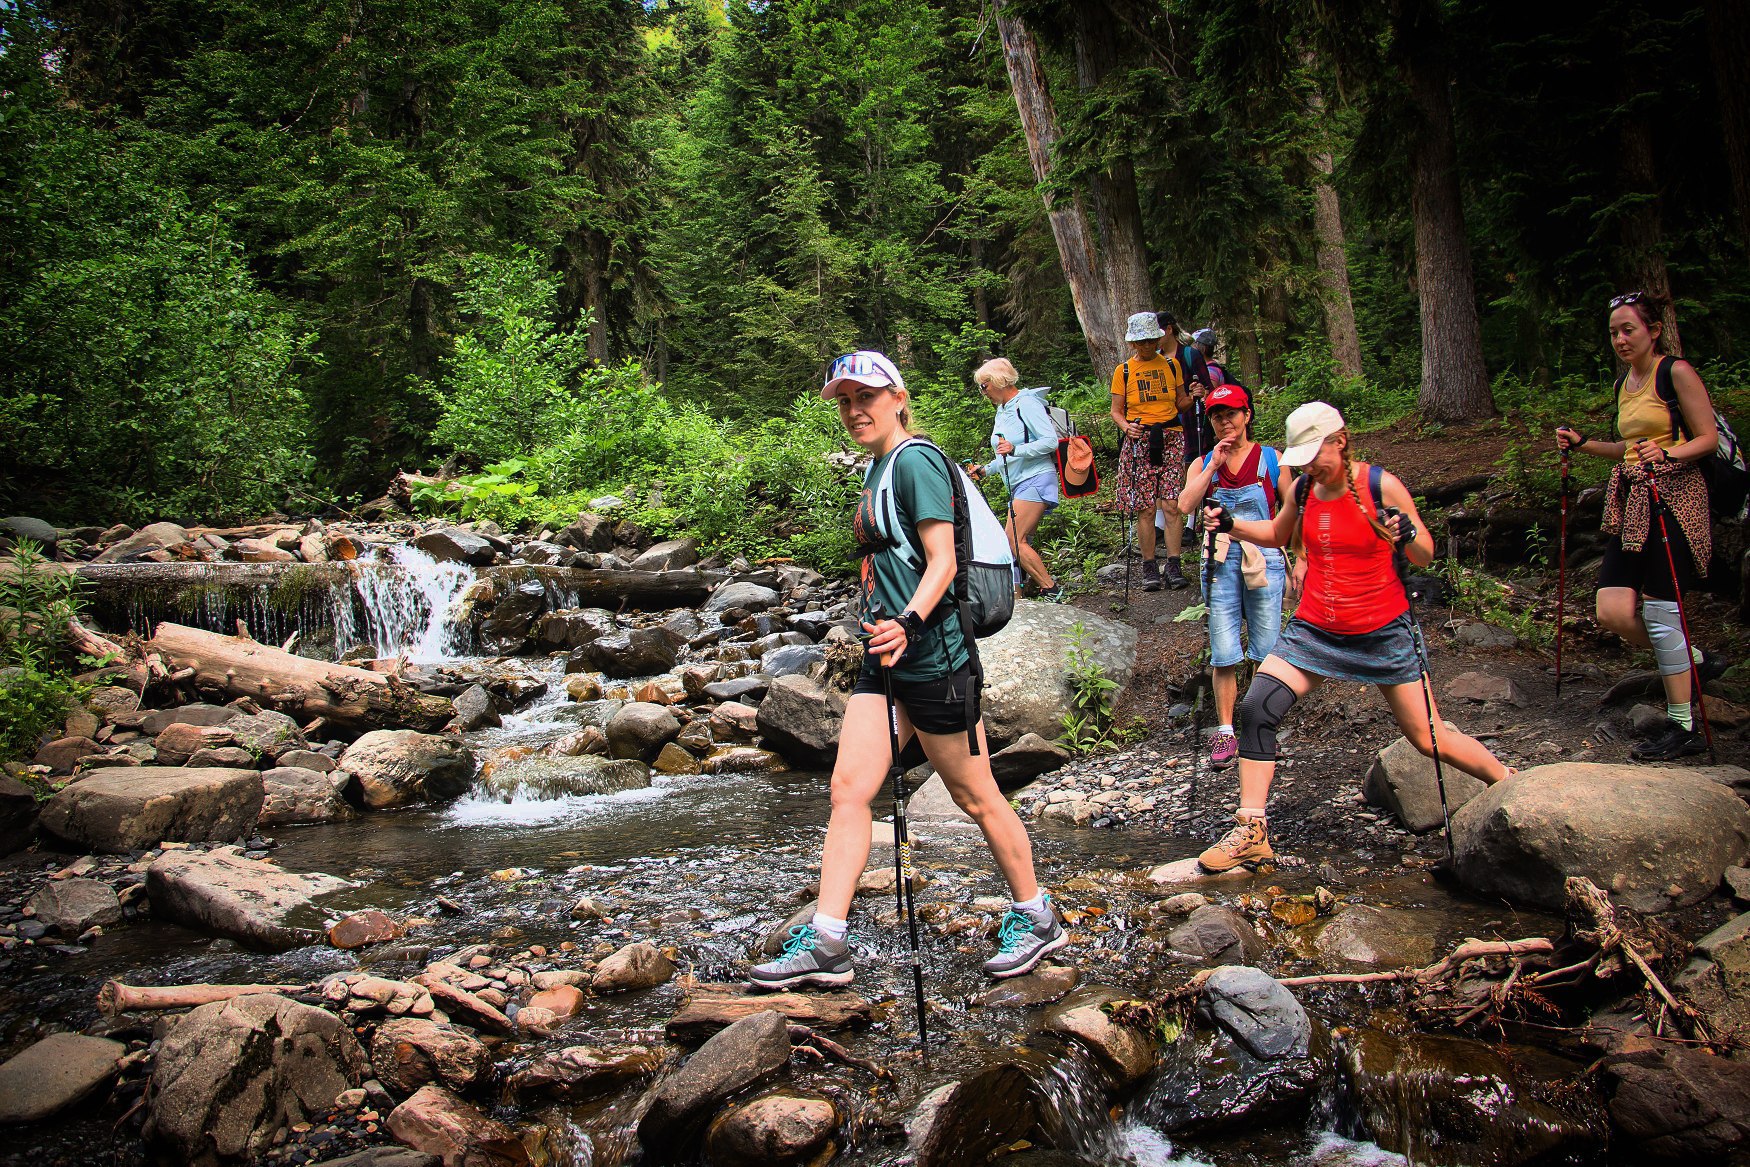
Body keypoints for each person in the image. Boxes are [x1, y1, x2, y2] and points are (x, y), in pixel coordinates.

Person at [748, 350, 1067, 990]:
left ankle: (1037, 917)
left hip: (933, 659)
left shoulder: (915, 460)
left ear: (897, 397)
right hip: (883, 657)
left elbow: (943, 561)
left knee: (974, 794)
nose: (854, 409)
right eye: (844, 400)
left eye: (865, 396)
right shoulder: (877, 469)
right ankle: (828, 941)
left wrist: (910, 624)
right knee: (849, 790)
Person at [1196, 401, 1515, 872]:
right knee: (1257, 707)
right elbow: (1280, 533)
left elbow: (1425, 555)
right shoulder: (1304, 489)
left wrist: (1406, 534)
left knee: (1428, 737)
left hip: (1382, 631)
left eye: (1314, 456)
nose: (1307, 467)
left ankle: (1510, 785)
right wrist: (1232, 524)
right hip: (1316, 628)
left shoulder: (1378, 485)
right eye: (1299, 459)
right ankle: (1252, 830)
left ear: (1339, 443)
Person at [1555, 291, 1721, 761]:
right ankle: (1695, 662)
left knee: (1661, 611)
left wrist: (1667, 453)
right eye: (1613, 332)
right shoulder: (1624, 383)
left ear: (1653, 331)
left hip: (1676, 500)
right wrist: (1585, 444)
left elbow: (1707, 438)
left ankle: (1685, 725)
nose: (1621, 339)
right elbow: (1630, 447)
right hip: (1634, 504)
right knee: (1611, 609)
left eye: (1629, 329)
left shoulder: (1676, 373)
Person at [1175, 383, 1291, 770]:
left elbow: (1290, 513)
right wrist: (1212, 466)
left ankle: (1260, 728)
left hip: (1266, 559)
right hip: (1220, 562)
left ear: (1247, 416)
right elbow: (1183, 506)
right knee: (1224, 651)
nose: (1225, 421)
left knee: (1267, 649)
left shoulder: (1273, 460)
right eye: (1217, 415)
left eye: (1232, 413)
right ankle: (1225, 731)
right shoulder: (1203, 462)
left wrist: (1303, 559)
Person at [1111, 312, 1197, 590]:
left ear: (1158, 338)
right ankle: (1149, 565)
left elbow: (1181, 403)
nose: (1147, 346)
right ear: (1133, 343)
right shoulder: (1123, 371)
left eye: (1151, 340)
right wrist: (1127, 427)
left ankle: (1173, 563)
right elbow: (1116, 411)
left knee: (1172, 504)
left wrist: (1193, 396)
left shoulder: (1172, 366)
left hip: (1171, 437)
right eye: (1141, 342)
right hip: (1140, 441)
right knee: (1146, 508)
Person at [970, 357, 1065, 600]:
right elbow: (1006, 452)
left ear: (998, 380)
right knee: (1017, 543)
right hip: (1019, 482)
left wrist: (1016, 450)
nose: (984, 392)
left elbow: (1049, 441)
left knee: (1012, 541)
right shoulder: (1003, 409)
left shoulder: (1026, 403)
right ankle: (1017, 600)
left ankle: (1052, 590)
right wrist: (987, 469)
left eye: (984, 385)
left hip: (1036, 478)